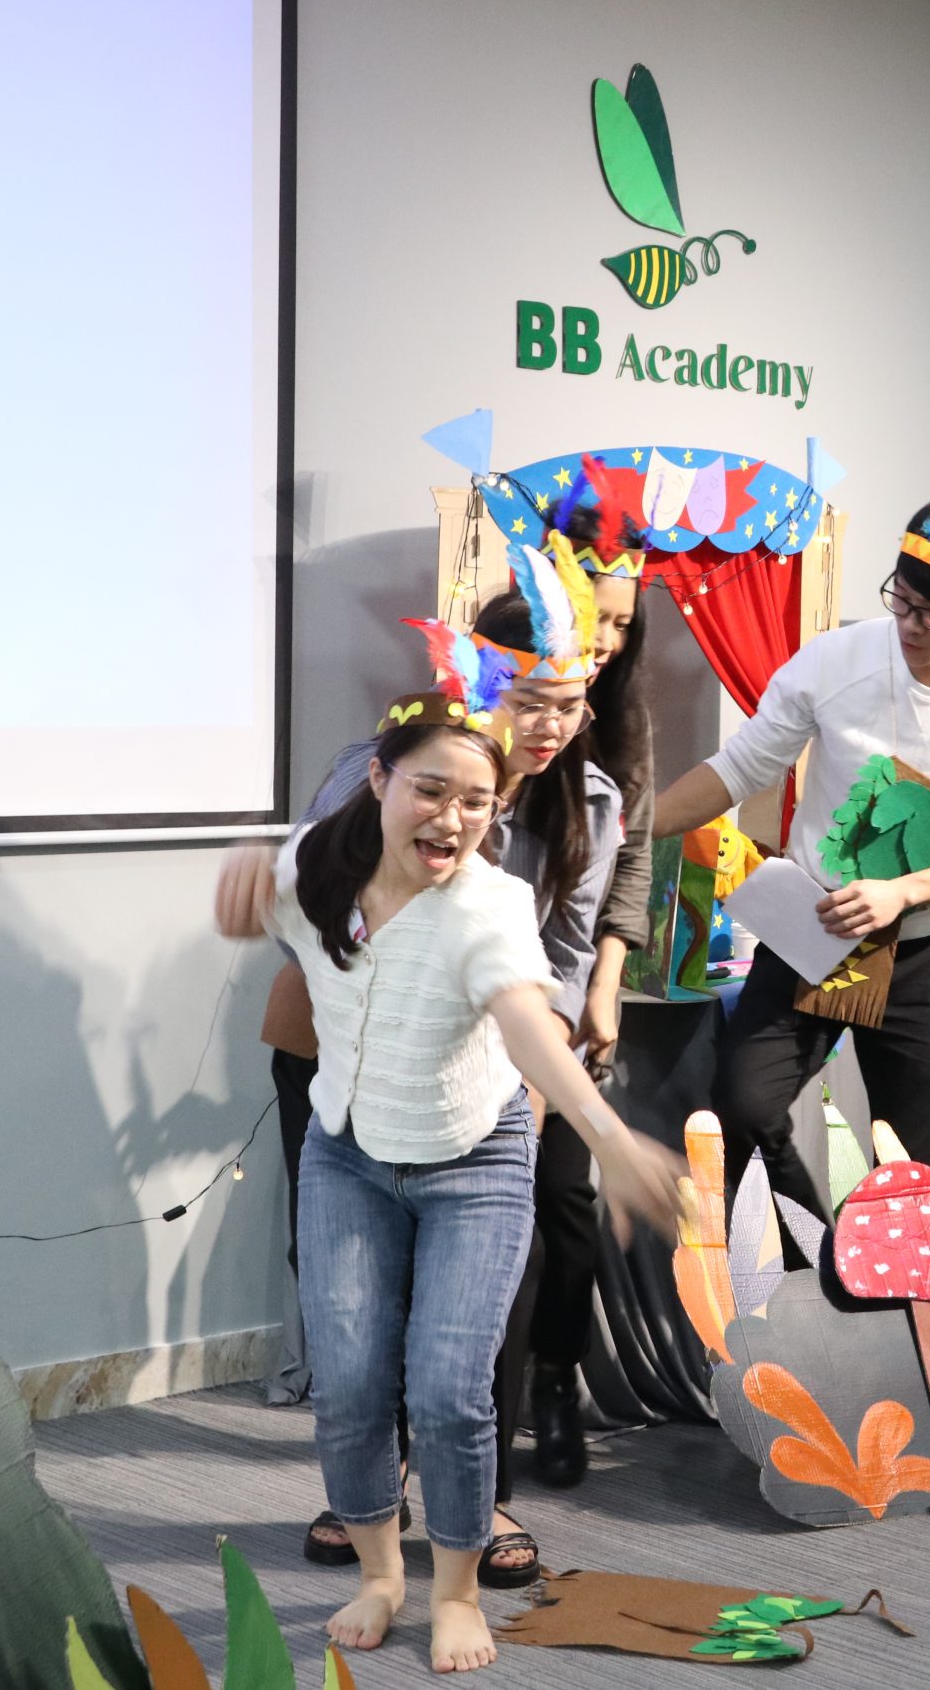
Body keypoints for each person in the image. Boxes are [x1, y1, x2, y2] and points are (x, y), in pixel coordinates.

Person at [212, 640, 682, 1675]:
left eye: (477, 802)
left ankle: (456, 1591)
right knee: (347, 1380)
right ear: (379, 779)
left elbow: (525, 1024)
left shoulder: (491, 904)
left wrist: (608, 1137)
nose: (454, 819)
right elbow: (250, 905)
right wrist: (238, 890)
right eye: (431, 790)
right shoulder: (314, 867)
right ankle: (382, 1575)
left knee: (449, 1388)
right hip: (347, 1150)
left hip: (474, 1158)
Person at [269, 528, 629, 1586]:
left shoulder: (590, 801)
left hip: (501, 1065)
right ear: (475, 684)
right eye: (531, 702)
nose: (550, 727)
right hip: (348, 1055)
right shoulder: (377, 773)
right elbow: (316, 905)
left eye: (571, 705)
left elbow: (563, 954)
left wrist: (537, 1073)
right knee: (352, 1292)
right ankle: (369, 1483)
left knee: (493, 1286)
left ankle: (483, 1494)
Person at [651, 474, 930, 1209]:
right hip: (811, 929)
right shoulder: (839, 659)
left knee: (921, 1170)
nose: (910, 625)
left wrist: (904, 891)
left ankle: (885, 1275)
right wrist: (630, 823)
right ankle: (814, 1257)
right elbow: (741, 767)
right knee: (740, 1109)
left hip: (923, 948)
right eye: (900, 598)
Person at [531, 465, 654, 1492]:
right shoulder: (503, 699)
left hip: (565, 999)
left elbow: (630, 860)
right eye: (593, 618)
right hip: (484, 1007)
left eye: (621, 621)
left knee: (565, 1206)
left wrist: (605, 982)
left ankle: (552, 1386)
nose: (607, 640)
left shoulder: (621, 720)